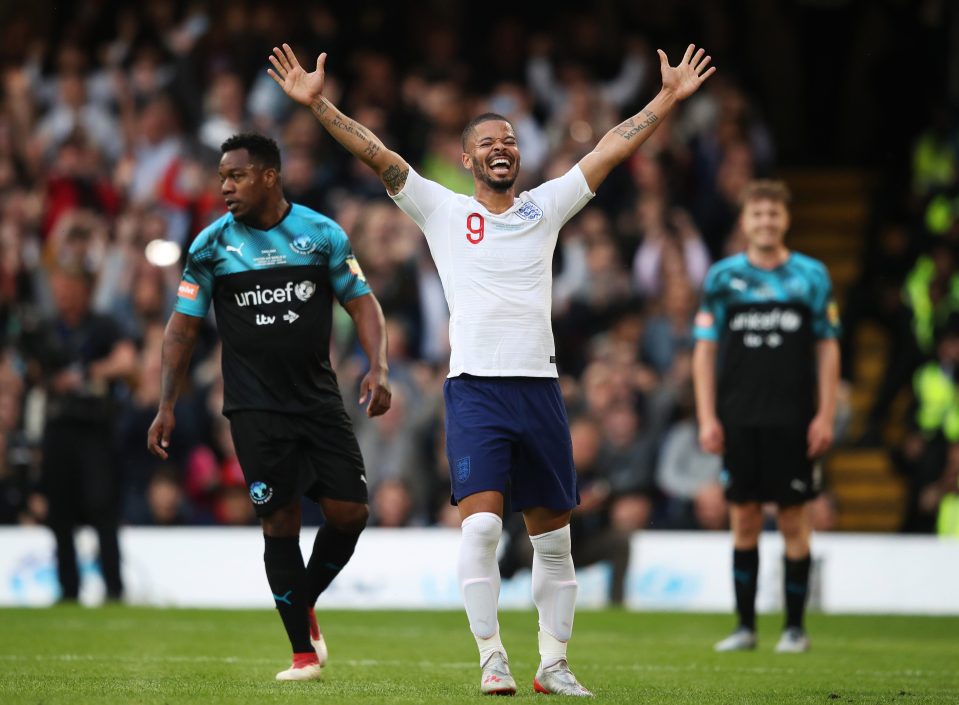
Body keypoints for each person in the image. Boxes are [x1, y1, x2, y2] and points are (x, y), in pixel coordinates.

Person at [268, 41, 715, 695]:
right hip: (475, 390)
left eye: (508, 140)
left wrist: (667, 97)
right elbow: (377, 154)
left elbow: (612, 147)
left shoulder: (545, 207)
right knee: (479, 525)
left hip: (540, 390)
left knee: (554, 544)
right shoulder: (444, 211)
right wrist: (319, 104)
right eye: (487, 141)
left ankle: (554, 663)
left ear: (517, 155)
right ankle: (490, 655)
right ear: (466, 158)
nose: (500, 147)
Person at [147, 133, 391, 681]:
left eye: (236, 176)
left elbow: (364, 304)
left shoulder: (320, 235)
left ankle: (301, 599)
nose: (225, 187)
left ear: (270, 177)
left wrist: (379, 366)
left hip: (319, 401)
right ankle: (302, 654)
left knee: (350, 513)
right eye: (221, 178)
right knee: (279, 523)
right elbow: (181, 330)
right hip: (254, 410)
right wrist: (166, 403)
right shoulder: (211, 247)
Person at [691, 180, 840, 654]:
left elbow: (828, 347)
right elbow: (704, 351)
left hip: (794, 419)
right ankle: (745, 627)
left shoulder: (811, 277)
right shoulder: (722, 279)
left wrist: (825, 414)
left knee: (795, 520)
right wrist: (707, 415)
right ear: (745, 221)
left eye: (774, 214)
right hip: (738, 418)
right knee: (745, 520)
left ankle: (794, 629)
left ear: (786, 220)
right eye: (758, 214)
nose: (766, 222)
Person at [23, 263, 138, 603]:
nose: (64, 297)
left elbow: (126, 361)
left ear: (85, 291)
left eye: (70, 290)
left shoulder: (103, 326)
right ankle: (68, 589)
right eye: (59, 291)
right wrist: (47, 378)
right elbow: (32, 370)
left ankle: (114, 588)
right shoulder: (46, 328)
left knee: (103, 507)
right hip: (58, 427)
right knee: (60, 510)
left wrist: (87, 373)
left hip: (95, 429)